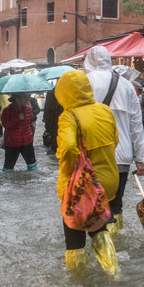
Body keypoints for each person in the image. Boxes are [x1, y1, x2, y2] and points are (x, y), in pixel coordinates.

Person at [55, 70, 119, 275]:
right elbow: (115, 140)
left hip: (83, 186)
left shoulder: (69, 116)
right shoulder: (104, 110)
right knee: (98, 227)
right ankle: (113, 272)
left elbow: (67, 147)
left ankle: (79, 282)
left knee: (74, 238)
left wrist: (67, 174)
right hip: (109, 180)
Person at [84, 46, 144, 235]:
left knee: (95, 204)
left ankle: (101, 247)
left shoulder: (84, 82)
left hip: (93, 154)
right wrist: (140, 159)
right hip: (123, 156)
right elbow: (137, 126)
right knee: (116, 204)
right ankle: (117, 242)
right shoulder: (127, 86)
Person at [1, 93, 38, 171]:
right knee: (8, 168)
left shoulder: (28, 108)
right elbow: (6, 125)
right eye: (24, 98)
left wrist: (33, 116)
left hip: (27, 141)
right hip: (12, 143)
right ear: (17, 99)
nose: (26, 100)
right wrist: (18, 119)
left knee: (33, 166)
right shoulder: (7, 110)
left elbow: (31, 119)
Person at [42, 88, 63, 154]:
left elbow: (47, 107)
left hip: (57, 120)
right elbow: (47, 108)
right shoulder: (51, 93)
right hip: (54, 120)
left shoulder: (51, 92)